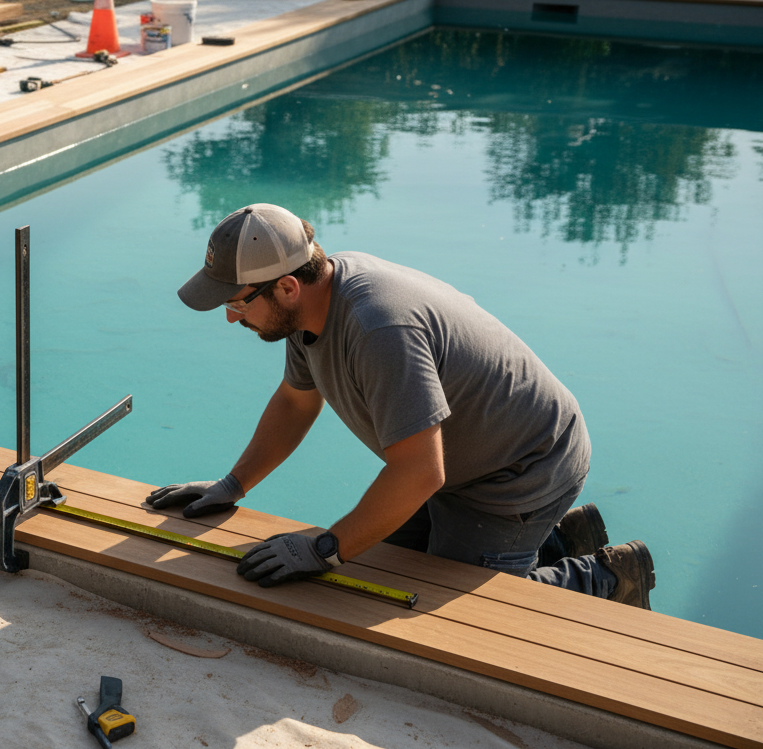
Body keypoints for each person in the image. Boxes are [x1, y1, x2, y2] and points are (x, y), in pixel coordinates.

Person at [148, 203, 655, 609]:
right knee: (378, 570)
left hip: (520, 471)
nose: (232, 319)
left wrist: (325, 548)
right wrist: (232, 485)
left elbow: (418, 474)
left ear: (287, 285)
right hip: (465, 460)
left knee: (451, 614)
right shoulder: (309, 307)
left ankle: (609, 575)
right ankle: (560, 539)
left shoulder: (378, 328)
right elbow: (295, 403)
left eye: (237, 303)